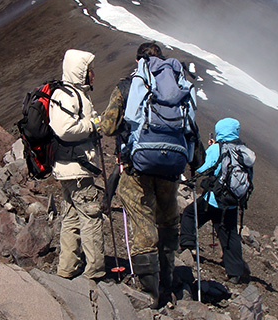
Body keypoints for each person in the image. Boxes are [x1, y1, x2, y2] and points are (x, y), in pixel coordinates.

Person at [100, 42, 202, 306]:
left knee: (143, 223)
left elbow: (108, 127)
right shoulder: (178, 87)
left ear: (138, 62)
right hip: (171, 168)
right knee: (168, 221)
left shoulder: (128, 85)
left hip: (138, 168)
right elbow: (191, 129)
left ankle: (150, 292)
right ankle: (168, 283)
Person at [49, 49, 105, 281]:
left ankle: (67, 268)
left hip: (68, 168)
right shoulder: (69, 96)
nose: (93, 74)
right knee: (91, 217)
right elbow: (64, 129)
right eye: (89, 70)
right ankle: (95, 271)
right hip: (78, 168)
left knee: (71, 217)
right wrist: (92, 126)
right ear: (80, 72)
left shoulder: (68, 94)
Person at [179, 117, 254, 283]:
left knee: (190, 214)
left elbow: (202, 168)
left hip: (213, 200)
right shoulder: (243, 152)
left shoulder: (218, 148)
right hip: (232, 202)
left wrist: (211, 148)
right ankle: (234, 273)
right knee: (229, 235)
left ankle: (187, 245)